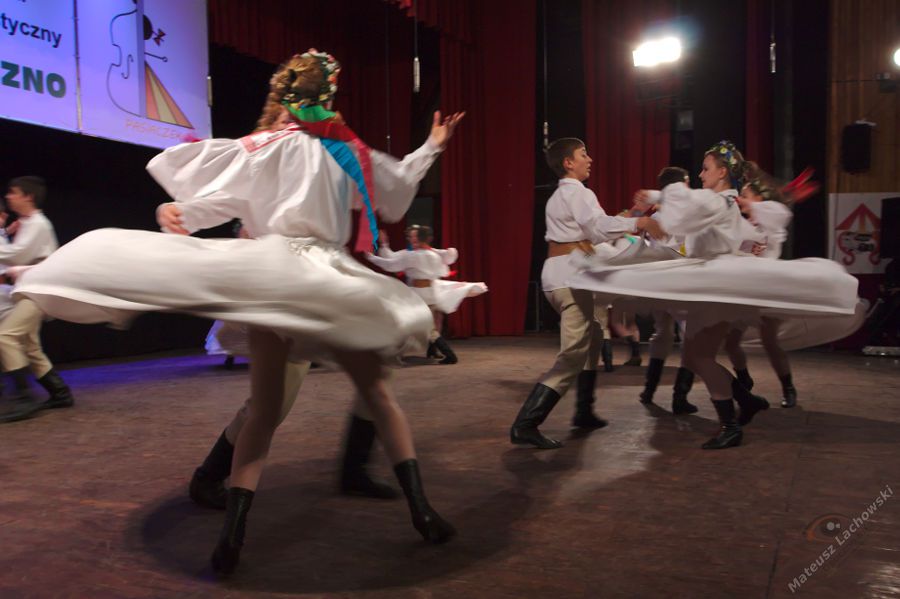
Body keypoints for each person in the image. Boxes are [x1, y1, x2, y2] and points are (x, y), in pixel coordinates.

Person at [14, 50, 464, 574]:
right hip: (325, 280)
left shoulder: (265, 148)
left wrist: (181, 211)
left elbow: (217, 196)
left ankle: (232, 537)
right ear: (326, 99)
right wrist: (432, 146)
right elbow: (394, 190)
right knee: (368, 394)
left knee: (268, 409)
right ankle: (420, 512)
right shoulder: (345, 151)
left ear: (286, 100)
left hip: (273, 276)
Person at [569, 142, 860, 449]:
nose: (700, 173)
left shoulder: (720, 201)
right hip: (711, 283)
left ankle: (732, 424)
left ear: (722, 172)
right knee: (695, 356)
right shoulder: (725, 202)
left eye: (706, 168)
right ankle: (745, 401)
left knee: (699, 357)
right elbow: (692, 212)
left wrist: (656, 195)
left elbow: (688, 202)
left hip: (716, 286)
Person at [509, 137, 663, 449]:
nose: (589, 159)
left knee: (593, 339)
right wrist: (641, 222)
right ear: (568, 162)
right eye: (583, 154)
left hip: (563, 273)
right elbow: (596, 227)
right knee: (572, 356)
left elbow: (591, 235)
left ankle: (583, 411)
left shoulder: (560, 195)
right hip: (571, 278)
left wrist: (633, 217)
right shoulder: (579, 192)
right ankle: (525, 424)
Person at [0, 176, 74, 424]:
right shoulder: (29, 223)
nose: (9, 196)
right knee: (30, 345)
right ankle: (60, 393)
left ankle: (24, 397)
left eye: (13, 192)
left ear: (28, 196)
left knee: (5, 336)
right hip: (31, 290)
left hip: (39, 291)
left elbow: (17, 255)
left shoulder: (38, 224)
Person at [366, 225, 488, 364]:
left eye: (414, 236)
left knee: (412, 324)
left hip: (418, 296)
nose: (412, 239)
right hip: (429, 294)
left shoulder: (414, 256)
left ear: (420, 238)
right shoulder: (432, 255)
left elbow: (390, 265)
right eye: (410, 236)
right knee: (426, 325)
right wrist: (384, 246)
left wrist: (370, 257)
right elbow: (442, 268)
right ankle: (435, 352)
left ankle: (448, 355)